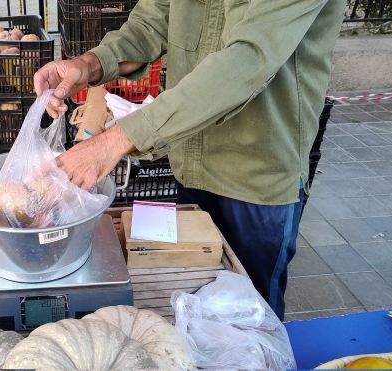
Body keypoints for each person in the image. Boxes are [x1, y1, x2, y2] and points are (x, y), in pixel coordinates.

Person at [34, 0, 346, 320]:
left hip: (256, 173)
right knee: (198, 305)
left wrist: (116, 140)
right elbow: (152, 21)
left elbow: (247, 60)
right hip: (191, 161)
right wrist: (90, 64)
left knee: (250, 320)